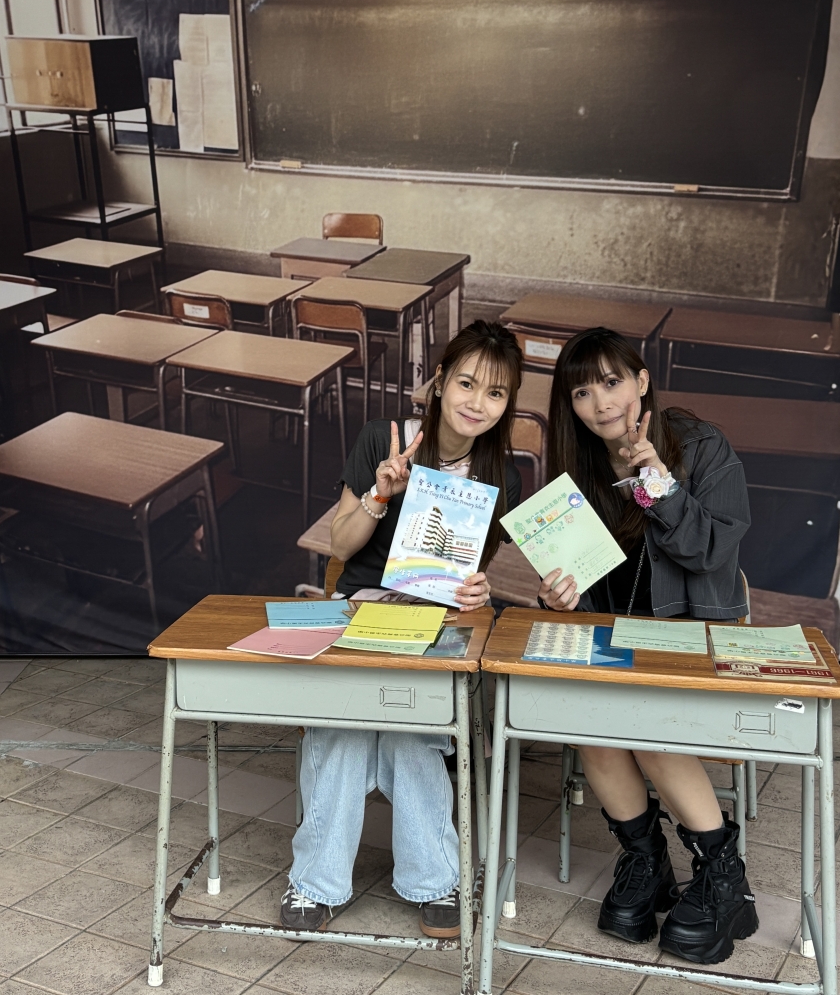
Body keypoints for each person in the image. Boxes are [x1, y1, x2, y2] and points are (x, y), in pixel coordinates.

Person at [281, 320, 523, 937]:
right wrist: (380, 494)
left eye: (495, 392)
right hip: (359, 610)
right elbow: (341, 545)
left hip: (436, 625)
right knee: (344, 730)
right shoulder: (382, 438)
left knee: (411, 731)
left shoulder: (502, 472)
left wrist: (479, 592)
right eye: (466, 383)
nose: (477, 402)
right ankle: (316, 884)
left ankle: (433, 881)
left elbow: (471, 577)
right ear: (439, 381)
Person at [538, 326, 757, 965]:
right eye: (582, 392)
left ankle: (726, 881)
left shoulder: (701, 446)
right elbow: (582, 580)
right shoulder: (578, 466)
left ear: (641, 380)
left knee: (648, 729)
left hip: (691, 636)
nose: (601, 403)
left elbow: (712, 551)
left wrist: (658, 485)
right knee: (592, 729)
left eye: (612, 382)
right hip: (613, 640)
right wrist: (559, 598)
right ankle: (647, 862)